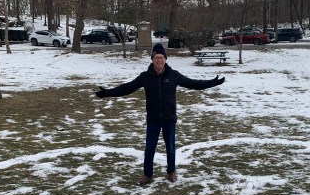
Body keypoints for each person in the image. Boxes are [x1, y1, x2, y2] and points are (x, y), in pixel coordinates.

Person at [94, 43, 225, 185]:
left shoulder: (173, 75)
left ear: (165, 59)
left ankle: (171, 172)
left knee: (170, 147)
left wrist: (212, 83)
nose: (159, 60)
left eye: (161, 57)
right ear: (152, 59)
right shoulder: (145, 77)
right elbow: (127, 88)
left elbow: (193, 83)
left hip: (169, 119)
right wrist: (107, 93)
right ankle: (147, 175)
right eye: (156, 57)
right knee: (149, 148)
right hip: (153, 119)